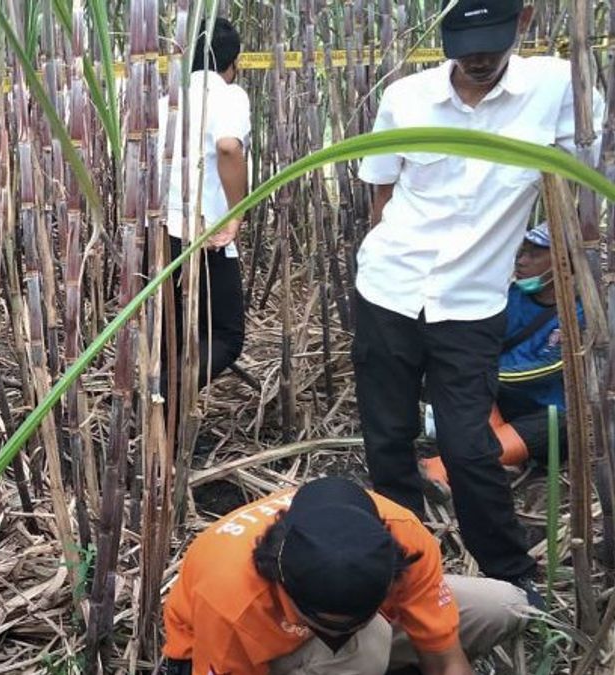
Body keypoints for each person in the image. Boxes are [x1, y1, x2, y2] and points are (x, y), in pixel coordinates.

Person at [353, 0, 602, 605]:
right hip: (389, 289)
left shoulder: (556, 89)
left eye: (492, 40)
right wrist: (372, 262)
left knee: (469, 446)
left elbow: (586, 175)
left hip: (471, 303)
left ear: (524, 21)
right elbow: (382, 196)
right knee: (389, 437)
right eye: (464, 44)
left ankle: (510, 576)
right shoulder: (407, 98)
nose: (479, 57)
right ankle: (403, 564)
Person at [161, 477, 528, 675]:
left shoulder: (403, 534)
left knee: (504, 606)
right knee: (366, 647)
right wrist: (357, 631)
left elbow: (446, 660)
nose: (337, 635)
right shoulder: (230, 596)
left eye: (350, 624)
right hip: (232, 653)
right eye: (326, 627)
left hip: (367, 615)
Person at [421, 223, 581, 491]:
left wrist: (482, 373)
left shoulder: (579, 313)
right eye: (522, 251)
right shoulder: (508, 296)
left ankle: (439, 468)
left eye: (534, 254)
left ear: (564, 262)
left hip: (539, 408)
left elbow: (552, 366)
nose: (521, 260)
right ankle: (499, 461)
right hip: (493, 400)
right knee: (466, 384)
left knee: (559, 425)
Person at [158, 17, 249, 411]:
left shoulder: (166, 98)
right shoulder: (228, 95)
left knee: (174, 334)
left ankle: (166, 430)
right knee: (226, 336)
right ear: (233, 63)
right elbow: (229, 147)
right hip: (205, 236)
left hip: (162, 232)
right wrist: (236, 213)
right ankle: (165, 394)